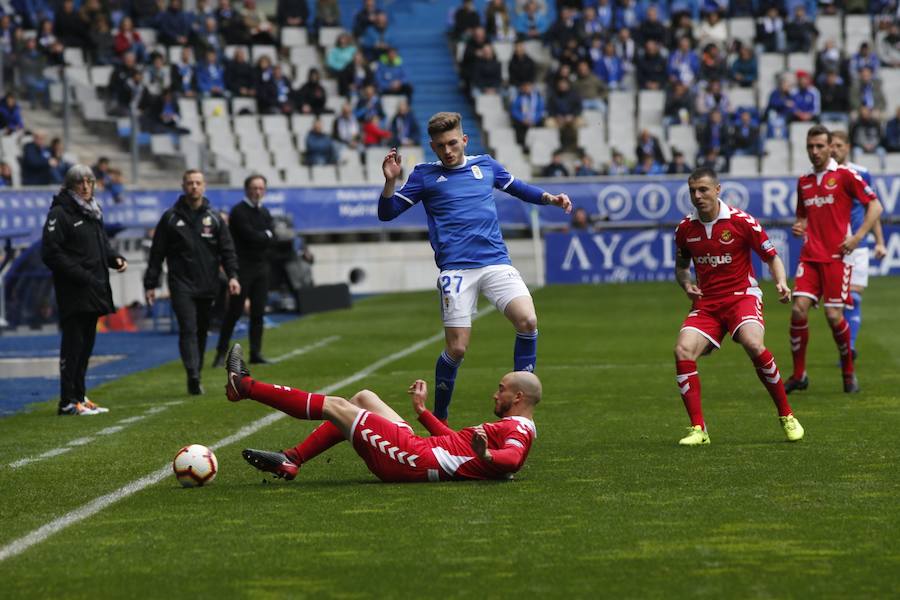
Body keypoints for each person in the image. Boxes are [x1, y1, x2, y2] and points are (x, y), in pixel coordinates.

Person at [377, 112, 571, 421]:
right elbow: (387, 213)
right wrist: (390, 182)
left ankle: (518, 409)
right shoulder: (424, 175)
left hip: (495, 262)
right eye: (440, 146)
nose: (448, 151)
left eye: (453, 143)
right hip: (456, 270)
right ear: (433, 146)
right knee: (457, 350)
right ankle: (439, 417)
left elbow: (518, 187)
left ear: (464, 140)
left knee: (528, 321)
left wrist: (551, 198)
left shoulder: (485, 165)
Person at [225, 344, 539, 483]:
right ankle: (292, 458)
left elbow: (512, 459)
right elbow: (457, 443)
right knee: (363, 397)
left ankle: (245, 386)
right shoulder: (512, 425)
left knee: (337, 406)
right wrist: (422, 412)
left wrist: (486, 456)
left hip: (412, 459)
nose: (495, 393)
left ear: (519, 397)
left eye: (501, 389)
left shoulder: (520, 431)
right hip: (419, 450)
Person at [673, 167, 803, 446]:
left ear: (718, 190)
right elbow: (682, 267)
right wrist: (686, 285)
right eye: (692, 191)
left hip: (741, 296)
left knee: (754, 345)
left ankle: (787, 415)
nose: (697, 196)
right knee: (682, 350)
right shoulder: (685, 228)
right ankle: (698, 429)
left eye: (703, 190)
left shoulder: (742, 222)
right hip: (707, 302)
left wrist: (781, 282)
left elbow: (772, 257)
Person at [787, 125, 883, 394]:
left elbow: (875, 206)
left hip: (837, 258)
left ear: (831, 147)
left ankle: (848, 371)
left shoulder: (845, 175)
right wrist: (800, 226)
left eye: (820, 146)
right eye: (810, 147)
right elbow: (802, 216)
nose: (815, 151)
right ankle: (799, 374)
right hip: (810, 256)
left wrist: (858, 237)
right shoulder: (804, 180)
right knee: (797, 309)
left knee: (832, 316)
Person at [144, 170, 240, 395]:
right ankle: (193, 375)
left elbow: (227, 250)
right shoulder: (170, 218)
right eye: (190, 183)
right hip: (180, 283)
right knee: (188, 328)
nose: (194, 187)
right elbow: (157, 254)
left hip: (208, 284)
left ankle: (196, 369)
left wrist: (233, 276)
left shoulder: (214, 218)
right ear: (183, 186)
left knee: (201, 330)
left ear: (204, 186)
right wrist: (151, 284)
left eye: (197, 183)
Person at [42, 164, 128, 416]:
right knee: (73, 345)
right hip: (74, 290)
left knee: (87, 344)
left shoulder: (92, 212)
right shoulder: (60, 213)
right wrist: (80, 274)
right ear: (70, 186)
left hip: (94, 288)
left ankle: (79, 396)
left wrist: (115, 258)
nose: (86, 186)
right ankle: (67, 401)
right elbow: (50, 252)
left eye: (89, 182)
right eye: (81, 182)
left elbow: (102, 245)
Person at [830, 131, 887, 360]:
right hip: (833, 247)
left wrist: (880, 242)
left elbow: (872, 208)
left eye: (839, 145)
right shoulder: (823, 176)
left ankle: (849, 349)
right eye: (831, 145)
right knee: (836, 306)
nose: (834, 150)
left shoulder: (862, 173)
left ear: (848, 147)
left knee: (854, 297)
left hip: (858, 246)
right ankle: (846, 345)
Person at [212, 174, 275, 368]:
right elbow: (251, 237)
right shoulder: (239, 211)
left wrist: (264, 236)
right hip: (243, 268)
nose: (257, 192)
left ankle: (256, 352)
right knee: (234, 312)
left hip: (261, 268)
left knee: (258, 312)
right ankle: (221, 353)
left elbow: (272, 237)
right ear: (247, 189)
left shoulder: (264, 212)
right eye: (254, 188)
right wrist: (265, 236)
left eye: (261, 188)